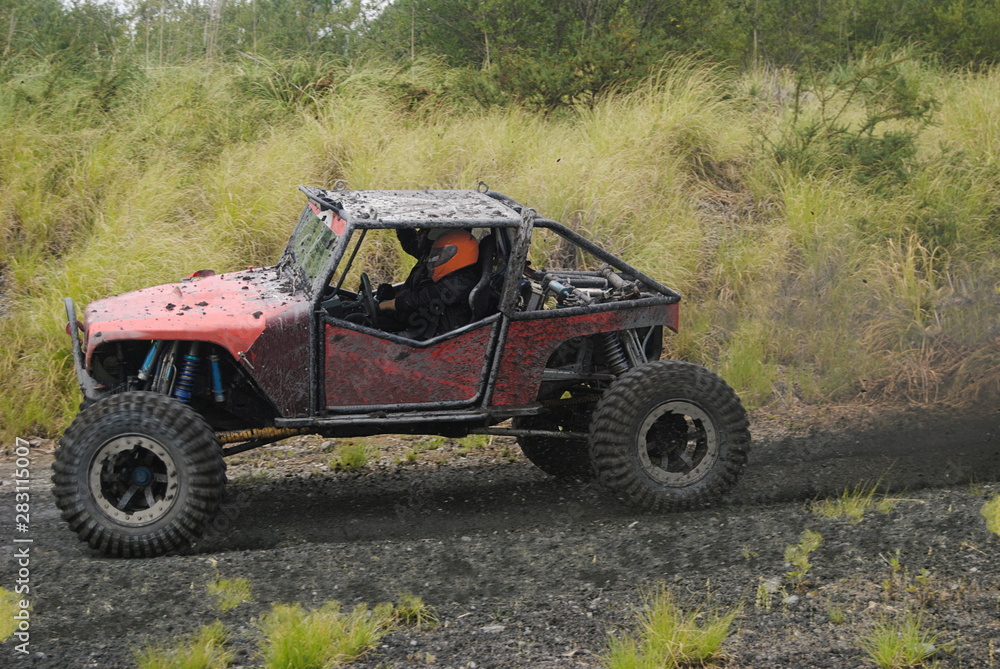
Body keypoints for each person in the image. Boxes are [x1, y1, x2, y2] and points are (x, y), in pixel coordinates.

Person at [377, 228, 480, 339]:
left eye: (444, 254)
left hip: (440, 343)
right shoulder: (450, 276)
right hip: (421, 327)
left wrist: (387, 305)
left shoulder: (462, 282)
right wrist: (393, 297)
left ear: (460, 254)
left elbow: (424, 297)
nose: (436, 259)